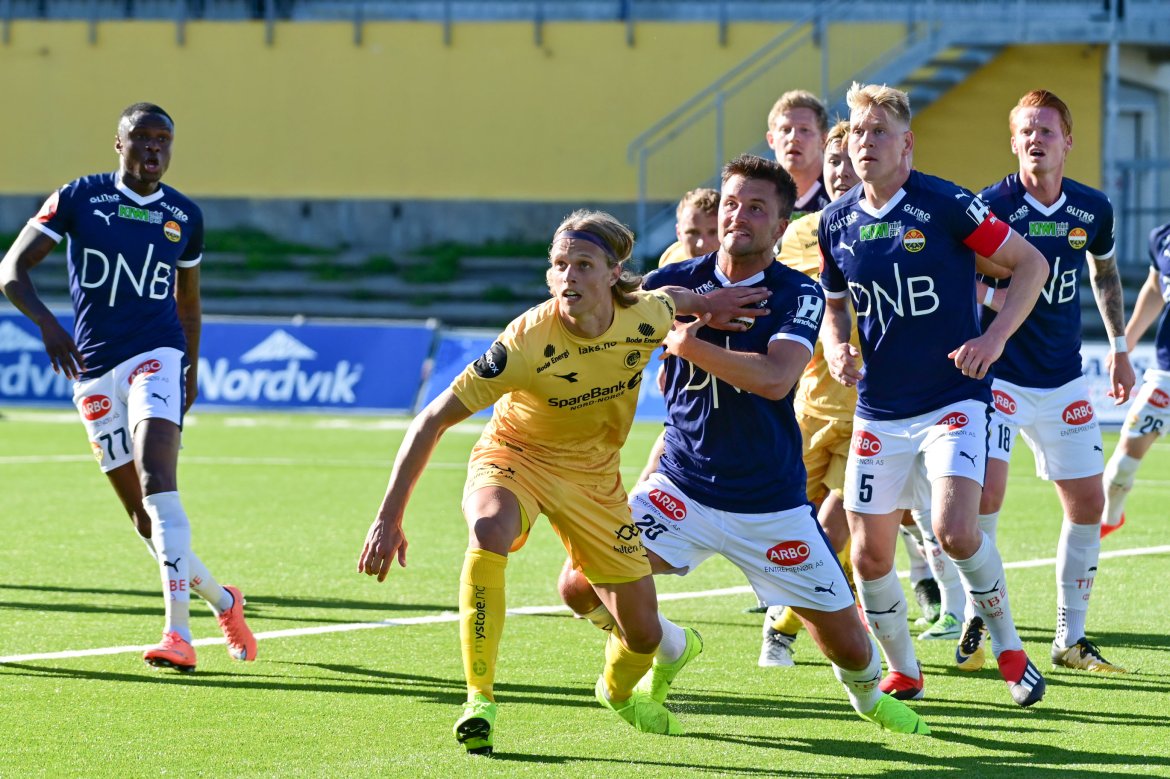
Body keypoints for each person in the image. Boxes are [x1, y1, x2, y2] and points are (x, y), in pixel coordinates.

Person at [357, 210, 770, 755]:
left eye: (583, 265)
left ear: (612, 274)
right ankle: (479, 699)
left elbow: (673, 299)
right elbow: (431, 419)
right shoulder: (524, 342)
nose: (569, 276)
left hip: (595, 479)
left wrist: (711, 304)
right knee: (488, 527)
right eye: (559, 266)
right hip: (517, 456)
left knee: (643, 636)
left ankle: (618, 693)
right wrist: (390, 517)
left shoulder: (644, 314)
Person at [557, 154, 930, 735]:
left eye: (757, 207)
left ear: (781, 226)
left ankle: (867, 699)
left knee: (850, 648)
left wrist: (684, 343)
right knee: (577, 585)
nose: (739, 215)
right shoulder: (671, 282)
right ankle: (672, 644)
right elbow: (593, 324)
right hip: (682, 488)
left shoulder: (797, 293)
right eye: (732, 202)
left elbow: (775, 377)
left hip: (770, 506)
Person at [0, 103, 256, 673]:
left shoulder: (183, 215)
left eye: (162, 140)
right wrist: (48, 323)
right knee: (143, 518)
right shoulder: (78, 198)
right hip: (91, 370)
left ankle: (178, 633)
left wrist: (188, 367)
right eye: (141, 138)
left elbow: (188, 302)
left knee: (158, 479)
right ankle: (223, 600)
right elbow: (11, 269)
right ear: (118, 143)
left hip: (156, 355)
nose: (152, 150)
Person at [818, 83, 1050, 708]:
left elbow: (1032, 266)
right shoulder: (834, 221)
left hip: (954, 397)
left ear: (907, 144)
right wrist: (838, 344)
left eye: (878, 133)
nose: (864, 144)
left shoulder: (949, 204)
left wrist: (996, 337)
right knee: (868, 555)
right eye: (857, 133)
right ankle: (904, 670)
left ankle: (1009, 648)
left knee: (953, 529)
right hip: (880, 410)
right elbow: (835, 305)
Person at [758, 122, 953, 667]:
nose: (842, 170)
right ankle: (813, 615)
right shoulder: (807, 234)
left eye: (849, 159)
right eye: (834, 162)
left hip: (871, 412)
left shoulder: (901, 227)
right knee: (793, 528)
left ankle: (784, 625)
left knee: (833, 528)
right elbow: (812, 301)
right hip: (808, 407)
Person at [965, 89, 1132, 674]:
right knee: (984, 498)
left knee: (1089, 504)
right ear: (1013, 142)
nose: (1036, 139)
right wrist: (995, 296)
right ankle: (975, 619)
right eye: (1026, 131)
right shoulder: (988, 207)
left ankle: (1070, 638)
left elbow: (1104, 276)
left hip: (1064, 380)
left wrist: (1118, 349)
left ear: (1068, 141)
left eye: (1047, 130)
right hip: (1001, 377)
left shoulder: (1093, 209)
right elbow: (958, 276)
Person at [1101, 220, 1170, 534]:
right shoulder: (1161, 236)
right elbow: (1156, 287)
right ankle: (1109, 520)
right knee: (1120, 469)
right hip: (1166, 373)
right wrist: (1125, 343)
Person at [766, 89, 832, 219]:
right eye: (786, 130)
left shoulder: (843, 192)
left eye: (804, 130)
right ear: (771, 140)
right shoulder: (761, 197)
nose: (794, 137)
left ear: (824, 140)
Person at [657, 188, 720, 267]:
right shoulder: (669, 264)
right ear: (679, 233)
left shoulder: (739, 273)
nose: (701, 244)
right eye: (693, 233)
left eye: (713, 232)